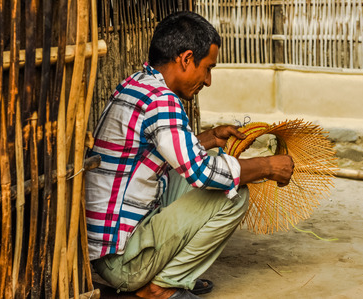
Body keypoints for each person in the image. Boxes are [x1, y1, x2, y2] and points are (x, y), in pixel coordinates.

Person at [85, 11, 294, 299]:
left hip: (107, 250)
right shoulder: (162, 101)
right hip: (122, 262)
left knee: (213, 161)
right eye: (207, 68)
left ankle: (161, 276)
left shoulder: (138, 83)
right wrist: (267, 166)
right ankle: (162, 286)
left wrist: (208, 139)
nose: (208, 80)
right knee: (233, 193)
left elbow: (157, 156)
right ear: (185, 59)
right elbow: (200, 172)